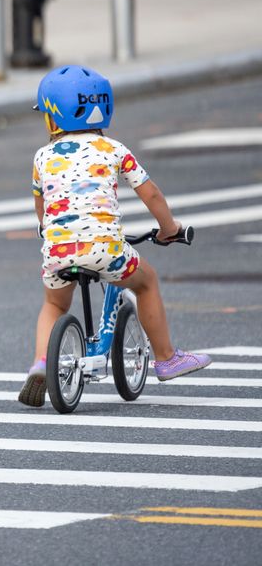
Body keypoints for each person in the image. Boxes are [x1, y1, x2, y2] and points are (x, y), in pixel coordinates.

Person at [18, 65, 211, 407]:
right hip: (105, 248)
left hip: (58, 248)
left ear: (53, 118)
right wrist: (170, 230)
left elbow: (42, 204)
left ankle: (41, 362)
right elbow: (151, 194)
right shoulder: (113, 150)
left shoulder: (42, 156)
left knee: (53, 303)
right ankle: (166, 358)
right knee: (146, 281)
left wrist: (46, 229)